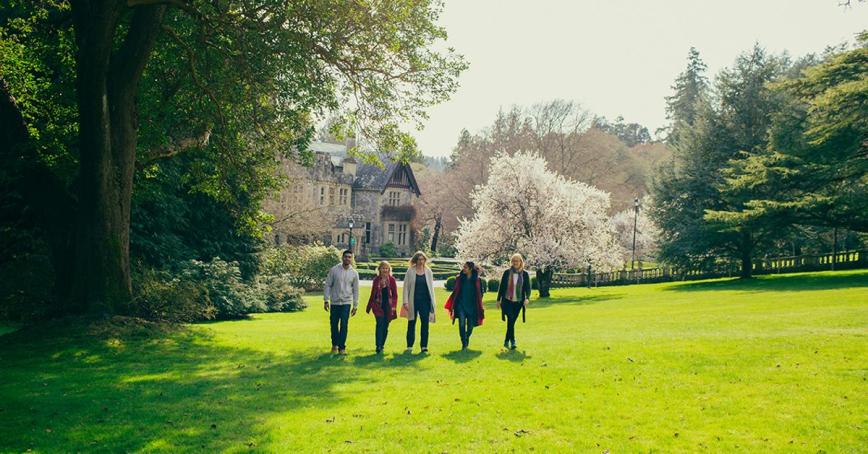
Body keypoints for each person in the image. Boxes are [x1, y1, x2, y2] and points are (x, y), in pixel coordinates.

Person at [323, 250, 359, 354]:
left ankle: (342, 347)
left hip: (346, 303)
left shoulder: (354, 273)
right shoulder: (334, 270)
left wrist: (355, 305)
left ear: (351, 259)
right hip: (334, 302)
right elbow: (328, 285)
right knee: (334, 325)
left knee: (344, 325)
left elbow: (356, 290)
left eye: (349, 257)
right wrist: (326, 300)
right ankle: (334, 344)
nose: (347, 259)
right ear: (342, 257)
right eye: (345, 257)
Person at [445, 261, 485, 350]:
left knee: (470, 326)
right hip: (461, 305)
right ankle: (463, 342)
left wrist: (479, 301)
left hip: (472, 306)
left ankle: (466, 337)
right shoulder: (459, 278)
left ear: (470, 269)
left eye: (465, 267)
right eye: (463, 267)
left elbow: (481, 292)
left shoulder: (477, 280)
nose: (463, 268)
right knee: (462, 324)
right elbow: (456, 291)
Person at [402, 251, 436, 353]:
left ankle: (424, 346)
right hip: (413, 300)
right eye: (419, 259)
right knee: (411, 323)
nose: (421, 261)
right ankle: (409, 346)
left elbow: (431, 288)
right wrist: (405, 302)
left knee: (425, 324)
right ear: (415, 260)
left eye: (422, 259)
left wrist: (432, 302)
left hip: (425, 302)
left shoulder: (428, 271)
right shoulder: (410, 271)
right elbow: (405, 287)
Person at [496, 253, 531, 350]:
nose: (515, 262)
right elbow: (502, 287)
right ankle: (513, 341)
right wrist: (498, 300)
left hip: (518, 302)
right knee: (511, 319)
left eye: (517, 261)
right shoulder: (507, 273)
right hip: (507, 301)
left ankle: (506, 340)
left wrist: (527, 298)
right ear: (511, 262)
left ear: (521, 262)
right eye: (514, 261)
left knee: (511, 322)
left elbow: (528, 288)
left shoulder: (525, 274)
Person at [365, 261, 398, 354]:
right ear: (379, 269)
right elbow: (373, 294)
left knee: (385, 327)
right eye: (383, 268)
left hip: (388, 306)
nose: (385, 270)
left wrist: (394, 307)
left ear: (389, 269)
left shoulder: (392, 280)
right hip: (378, 306)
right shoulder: (376, 280)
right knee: (379, 325)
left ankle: (382, 344)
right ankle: (378, 346)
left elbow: (395, 295)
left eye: (386, 268)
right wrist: (368, 306)